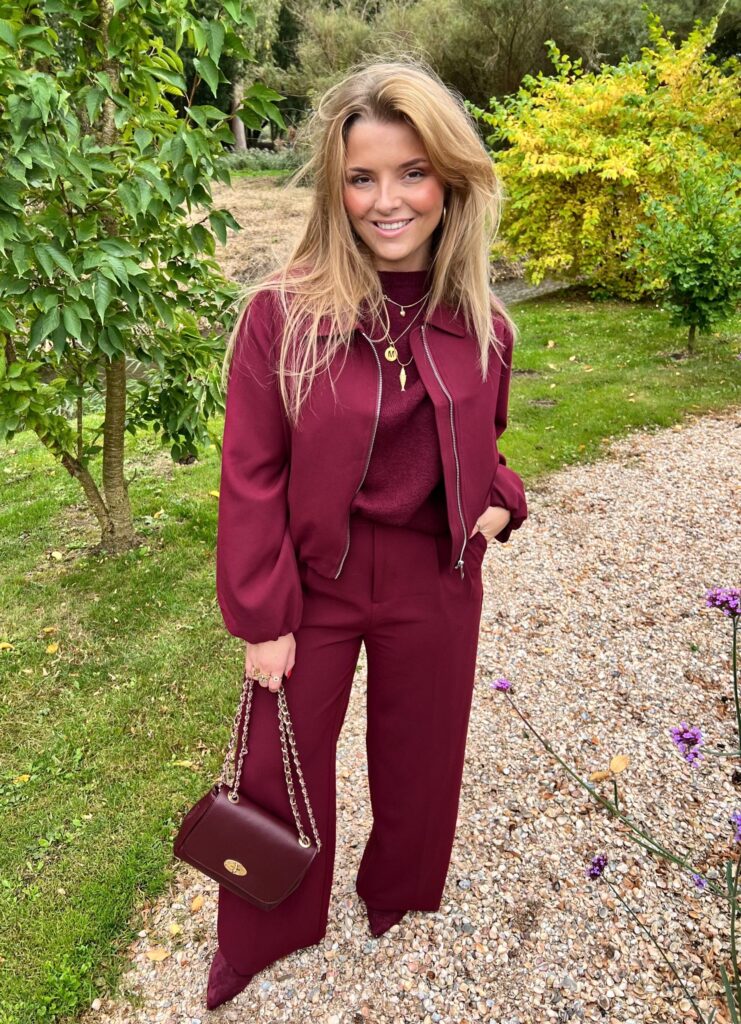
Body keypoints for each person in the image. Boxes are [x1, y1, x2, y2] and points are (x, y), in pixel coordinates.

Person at [205, 55, 529, 1010]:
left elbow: (484, 439)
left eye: (412, 172)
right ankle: (264, 930)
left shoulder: (482, 322)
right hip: (315, 580)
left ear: (450, 180)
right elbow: (251, 475)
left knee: (424, 751)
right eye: (362, 177)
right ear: (335, 187)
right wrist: (263, 617)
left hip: (435, 576)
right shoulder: (282, 316)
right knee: (277, 763)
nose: (387, 201)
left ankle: (398, 887)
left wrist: (502, 499)